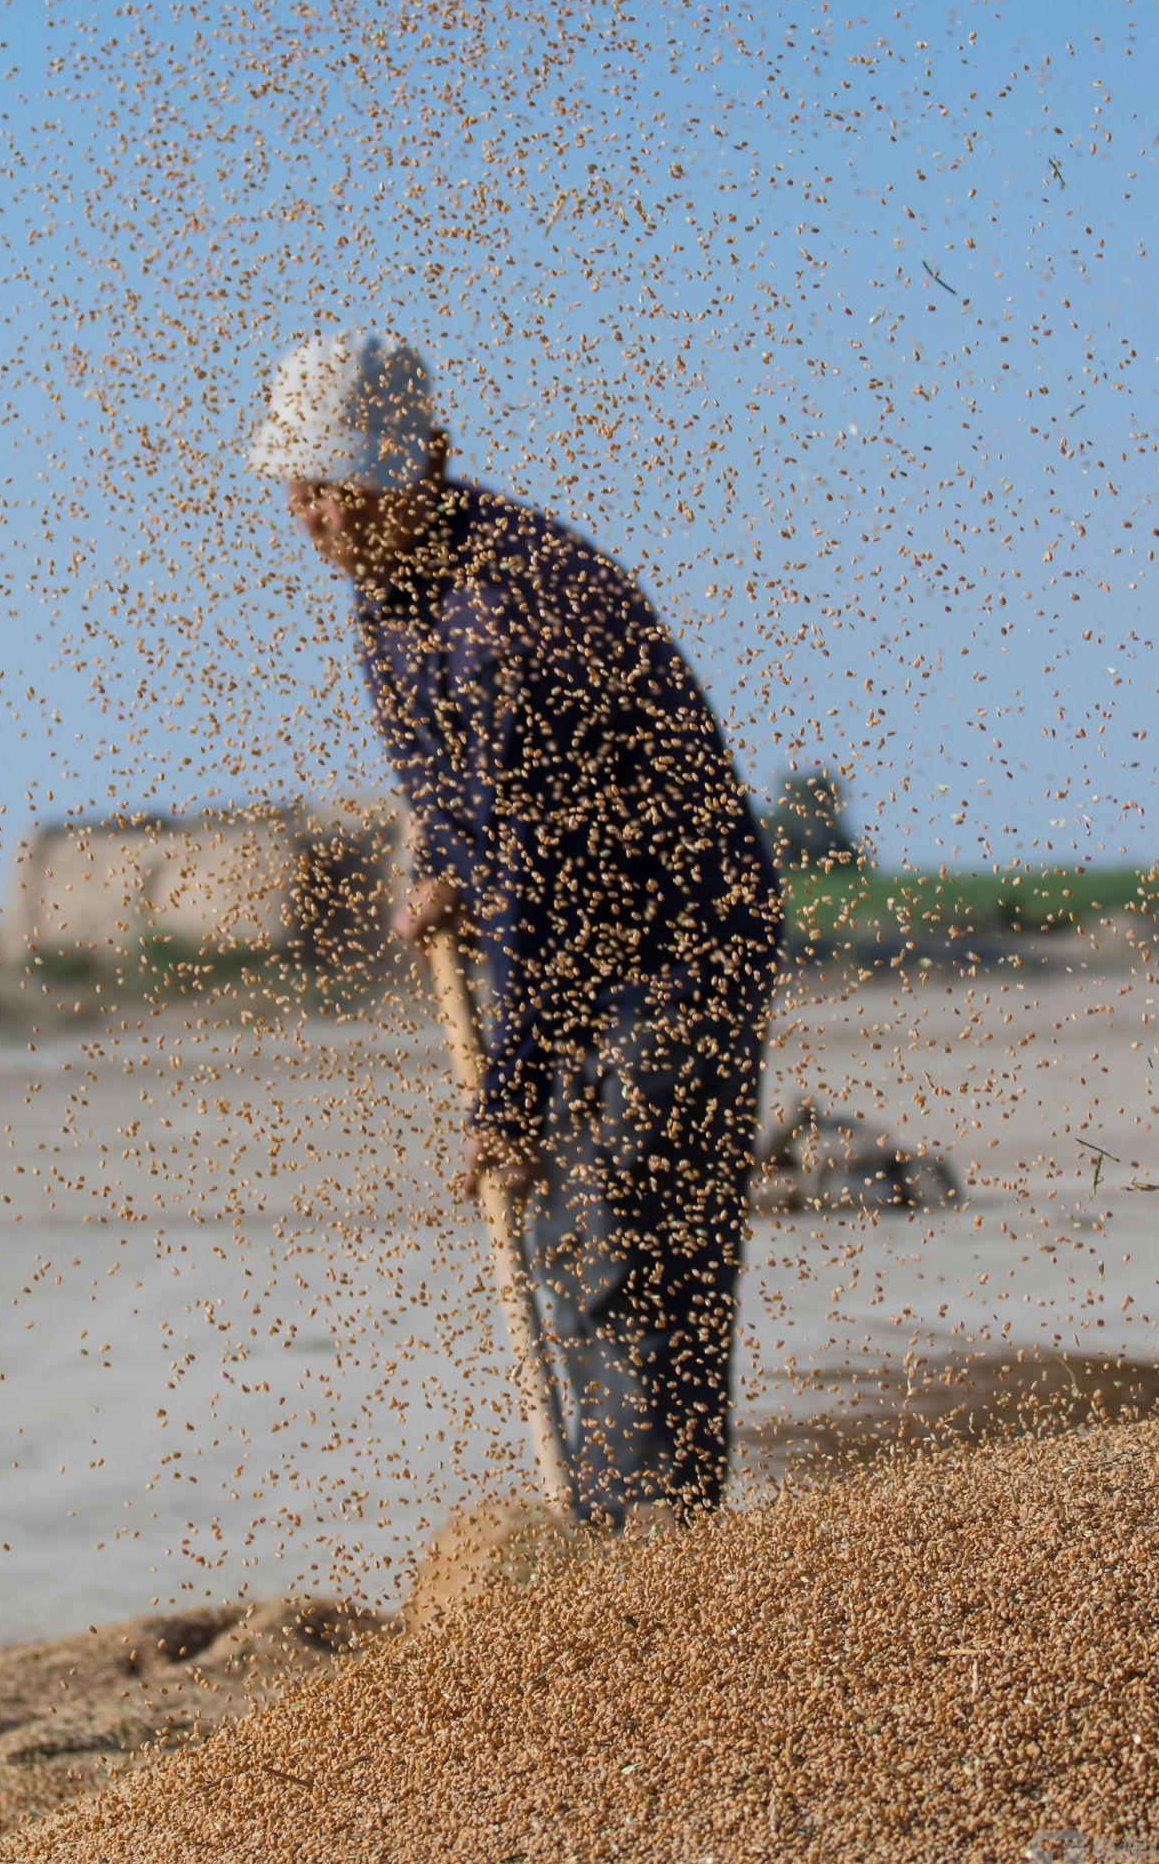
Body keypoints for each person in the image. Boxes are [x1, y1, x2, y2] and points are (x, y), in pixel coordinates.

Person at [251, 326, 781, 1529]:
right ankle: (629, 1537)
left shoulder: (513, 614)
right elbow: (470, 798)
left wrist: (508, 1102)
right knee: (576, 1245)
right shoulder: (394, 589)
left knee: (626, 1259)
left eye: (336, 489)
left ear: (415, 469)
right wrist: (444, 862)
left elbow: (558, 895)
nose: (313, 517)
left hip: (670, 960)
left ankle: (650, 1557)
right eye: (300, 488)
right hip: (565, 940)